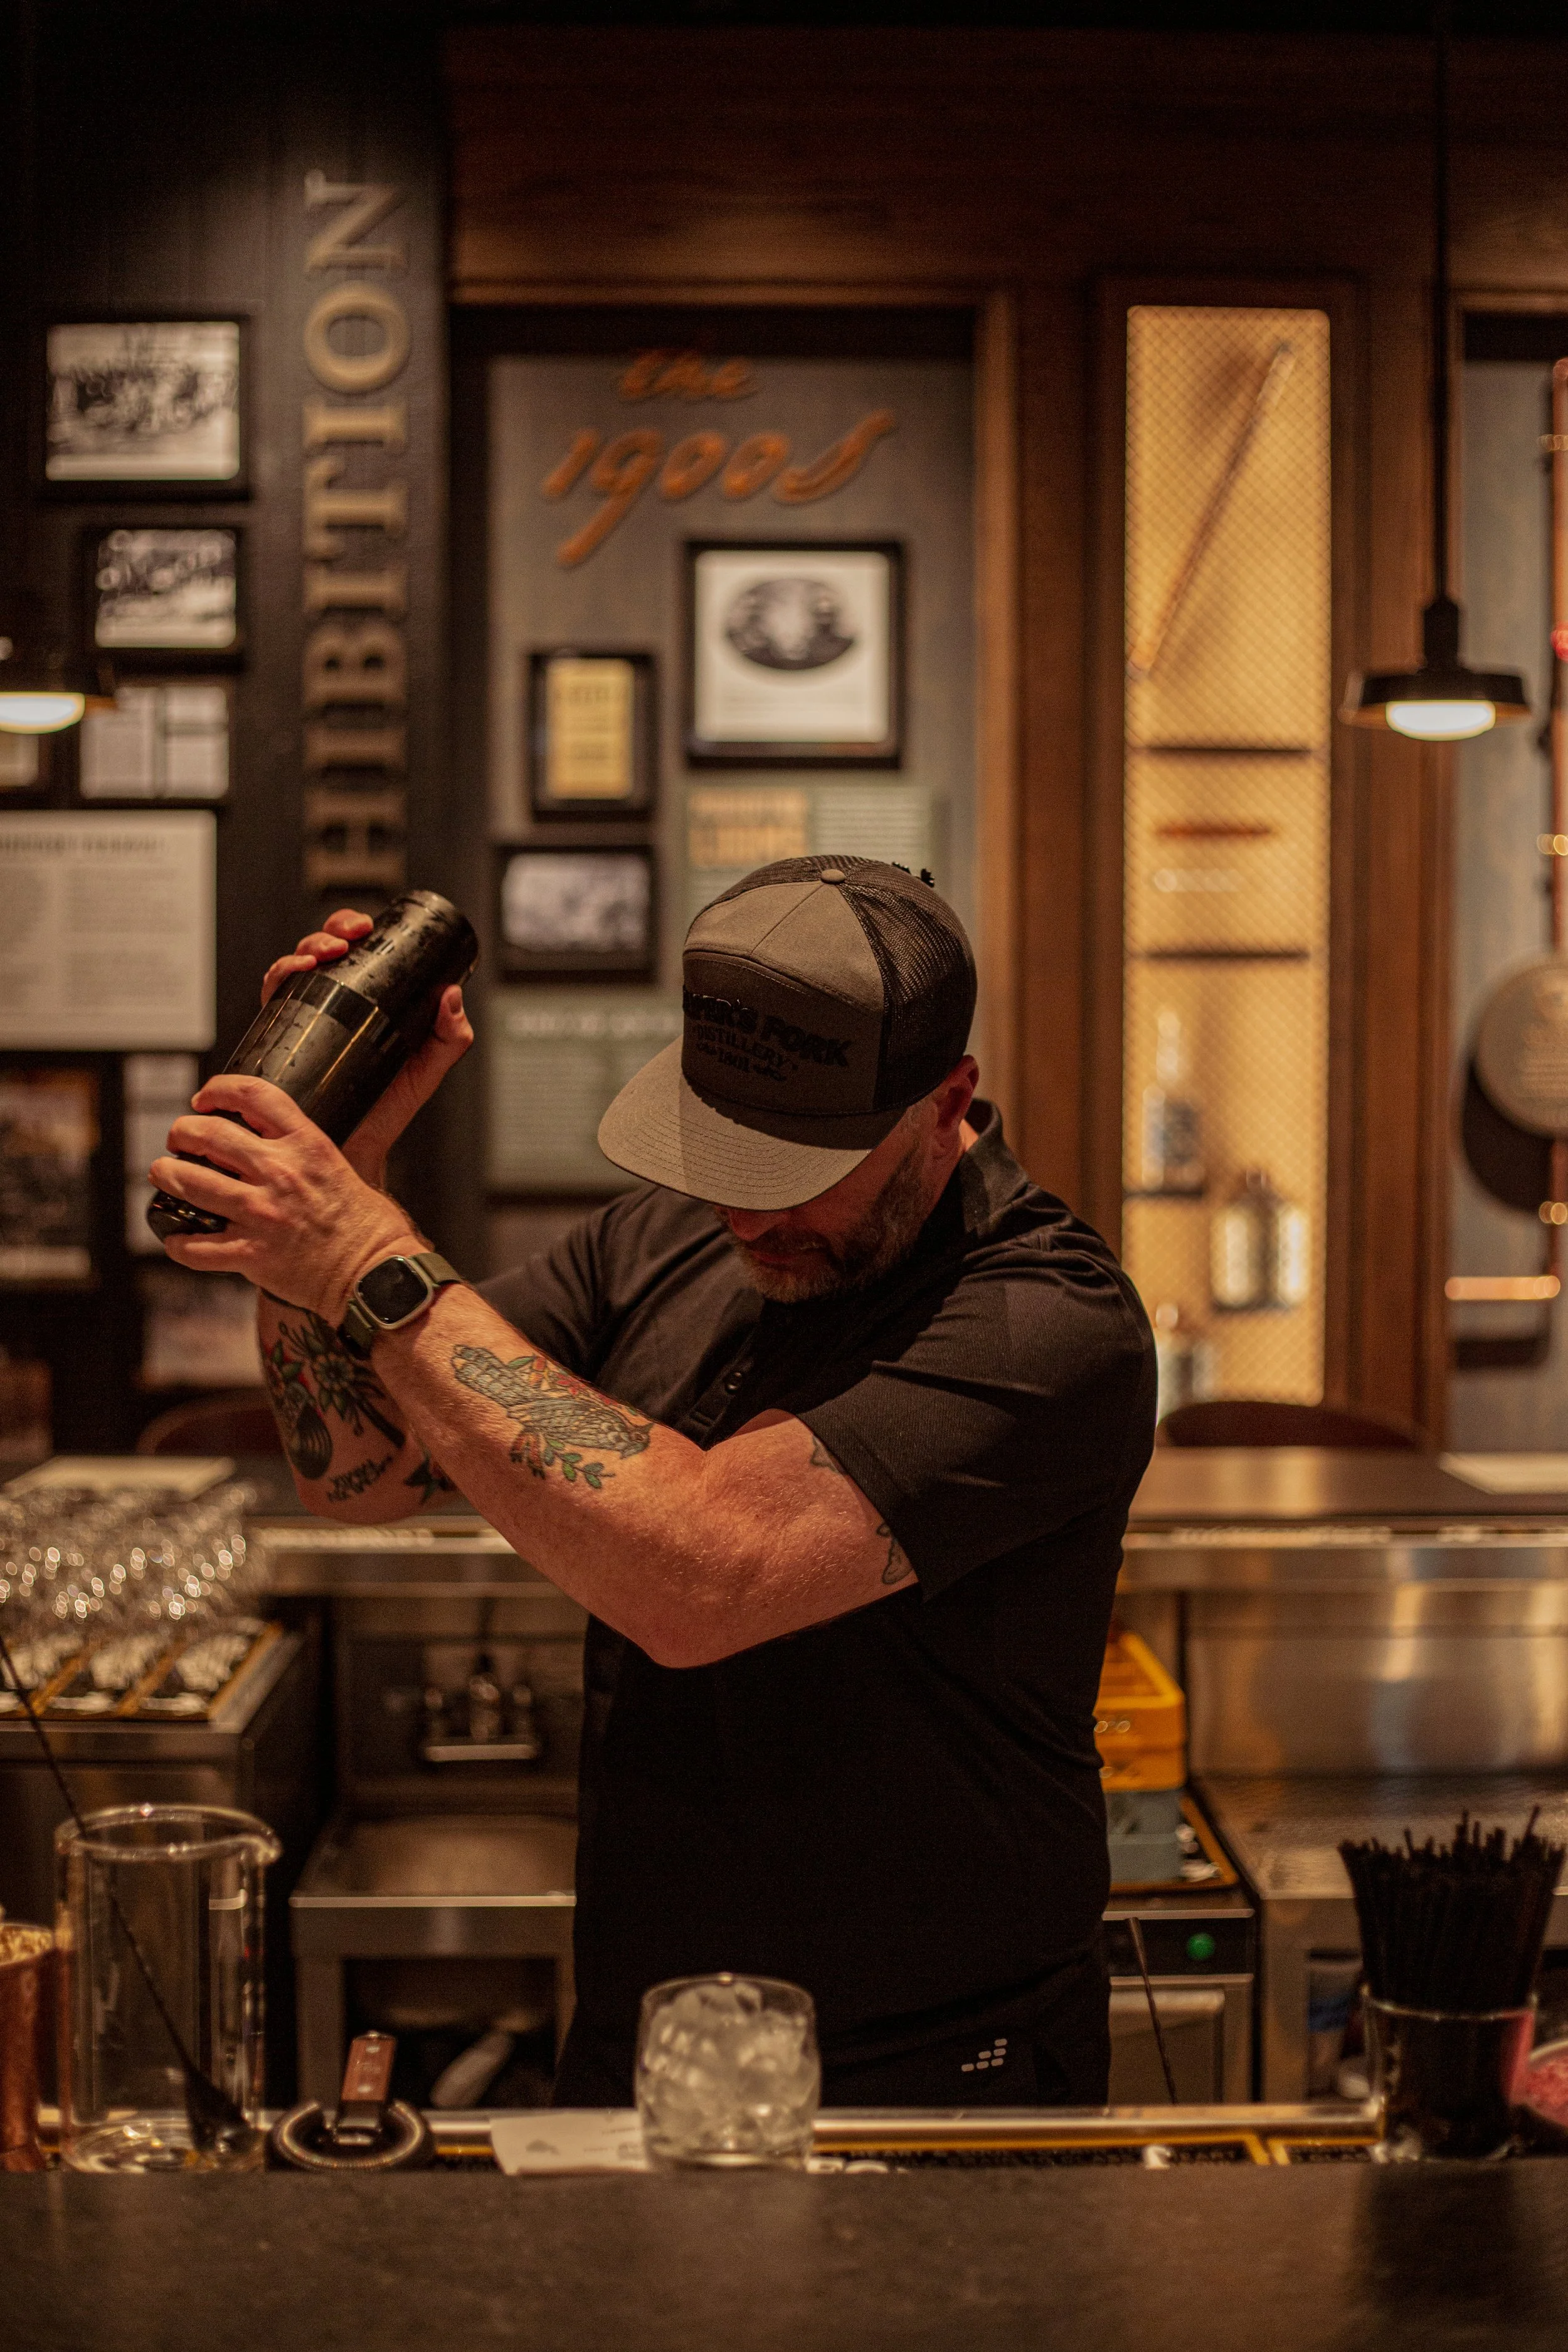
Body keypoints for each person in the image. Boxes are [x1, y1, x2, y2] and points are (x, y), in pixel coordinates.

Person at [152, 856, 1155, 2107]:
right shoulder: (661, 1234)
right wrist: (337, 1176)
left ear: (946, 1103)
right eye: (723, 1150)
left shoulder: (1047, 1320)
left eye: (796, 1168)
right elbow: (361, 1476)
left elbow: (701, 1574)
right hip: (651, 2035)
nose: (745, 1215)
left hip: (934, 2065)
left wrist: (363, 1251)